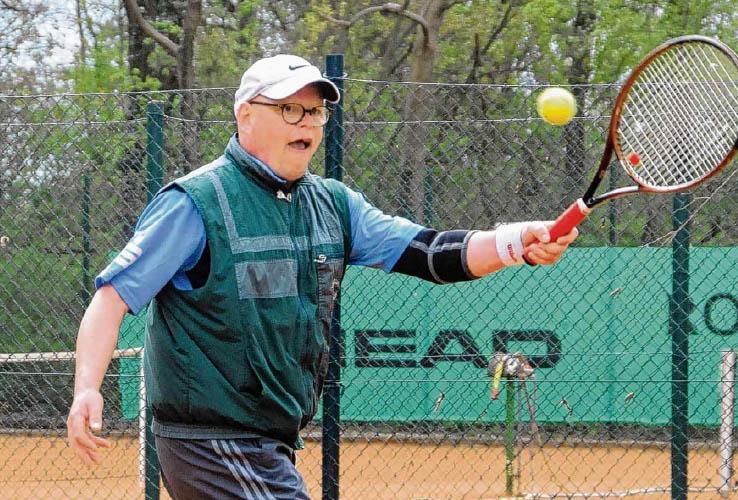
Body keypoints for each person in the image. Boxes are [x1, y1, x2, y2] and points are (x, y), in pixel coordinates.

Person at [67, 54, 578, 499]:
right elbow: (111, 299)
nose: (307, 122)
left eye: (315, 111)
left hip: (269, 441)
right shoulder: (195, 204)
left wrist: (517, 242)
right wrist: (87, 387)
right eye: (289, 109)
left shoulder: (333, 205)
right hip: (209, 441)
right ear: (246, 115)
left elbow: (429, 253)